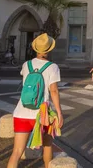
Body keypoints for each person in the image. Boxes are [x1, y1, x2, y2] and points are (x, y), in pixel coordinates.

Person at [8, 33, 62, 168]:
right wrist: (59, 114)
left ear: (36, 49)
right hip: (42, 115)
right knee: (47, 146)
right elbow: (53, 91)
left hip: (21, 112)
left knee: (17, 152)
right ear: (49, 49)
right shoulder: (52, 67)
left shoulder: (26, 65)